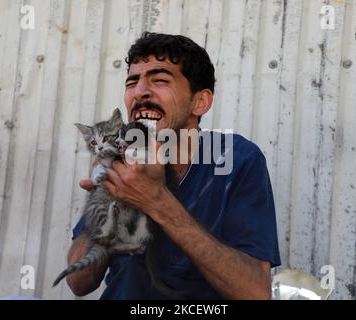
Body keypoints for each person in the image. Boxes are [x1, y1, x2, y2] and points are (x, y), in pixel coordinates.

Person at [66, 32, 281, 299]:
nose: (140, 92)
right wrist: (111, 198)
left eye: (160, 80)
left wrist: (156, 200)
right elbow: (78, 282)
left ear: (200, 102)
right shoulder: (122, 160)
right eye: (132, 82)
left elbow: (255, 292)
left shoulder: (236, 160)